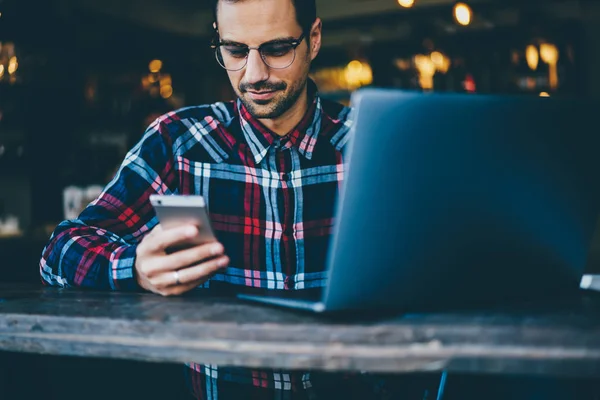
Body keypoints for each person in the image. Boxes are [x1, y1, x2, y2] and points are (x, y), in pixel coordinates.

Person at [40, 0, 432, 398]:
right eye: (236, 51)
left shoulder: (376, 144)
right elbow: (59, 249)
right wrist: (135, 268)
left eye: (277, 49)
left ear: (313, 39)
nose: (254, 74)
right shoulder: (178, 142)